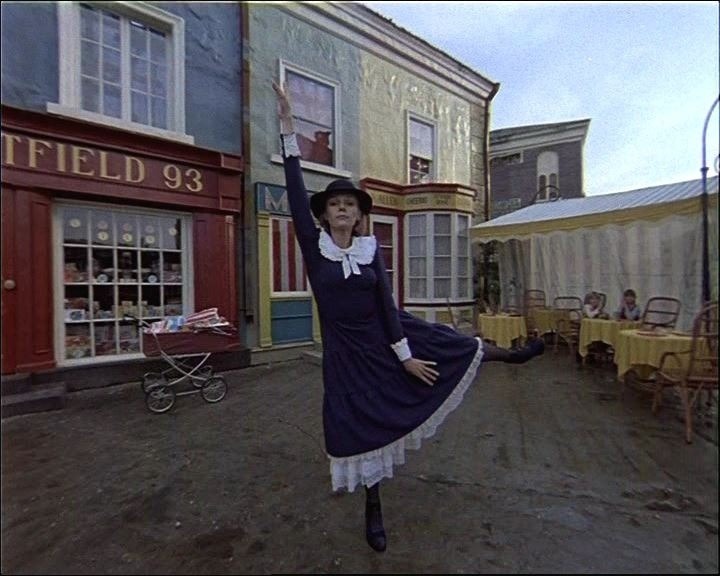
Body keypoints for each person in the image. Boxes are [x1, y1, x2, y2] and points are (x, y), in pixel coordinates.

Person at [272, 81, 545, 553]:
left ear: (358, 215)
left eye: (350, 205)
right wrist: (288, 126)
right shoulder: (315, 250)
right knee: (362, 423)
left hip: (388, 333)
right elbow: (296, 192)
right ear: (325, 215)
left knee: (452, 346)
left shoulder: (369, 250)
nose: (342, 209)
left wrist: (404, 357)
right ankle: (373, 506)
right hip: (346, 353)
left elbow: (385, 304)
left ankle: (511, 356)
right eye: (335, 204)